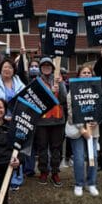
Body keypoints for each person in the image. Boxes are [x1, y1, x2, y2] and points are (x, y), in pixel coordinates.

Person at [0, 58, 26, 191]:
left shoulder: (20, 84)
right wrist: (2, 116)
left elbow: (26, 102)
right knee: (4, 149)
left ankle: (16, 179)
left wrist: (16, 117)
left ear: (14, 70)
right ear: (0, 70)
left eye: (10, 67)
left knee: (17, 149)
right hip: (0, 122)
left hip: (17, 121)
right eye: (4, 68)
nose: (7, 70)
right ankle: (3, 177)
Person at [67, 64, 100, 197]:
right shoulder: (72, 91)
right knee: (79, 158)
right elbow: (71, 111)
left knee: (93, 157)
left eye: (88, 73)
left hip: (93, 129)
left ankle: (91, 183)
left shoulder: (96, 89)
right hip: (78, 130)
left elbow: (101, 108)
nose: (86, 75)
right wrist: (82, 129)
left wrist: (96, 121)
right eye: (84, 73)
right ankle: (79, 184)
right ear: (79, 75)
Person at [35, 57, 67, 187]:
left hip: (57, 120)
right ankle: (43, 171)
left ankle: (55, 172)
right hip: (42, 121)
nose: (46, 67)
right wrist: (48, 93)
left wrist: (60, 85)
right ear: (41, 68)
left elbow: (64, 99)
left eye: (49, 65)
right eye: (44, 65)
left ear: (53, 68)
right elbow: (35, 100)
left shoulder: (59, 80)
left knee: (56, 148)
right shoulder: (37, 81)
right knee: (42, 148)